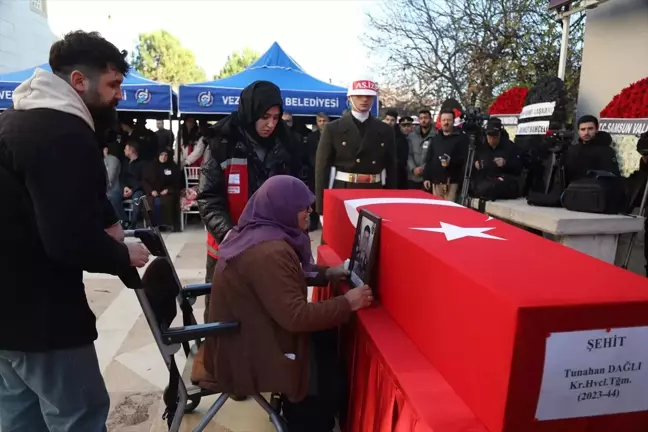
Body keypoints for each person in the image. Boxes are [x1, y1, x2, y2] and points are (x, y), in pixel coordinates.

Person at [0, 30, 150, 432]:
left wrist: (109, 220)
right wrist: (123, 254)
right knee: (77, 417)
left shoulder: (17, 120)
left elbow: (58, 192)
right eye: (113, 84)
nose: (119, 95)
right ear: (78, 82)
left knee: (20, 419)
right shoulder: (64, 132)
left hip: (9, 317)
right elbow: (67, 239)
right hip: (43, 317)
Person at [195, 175, 373, 432]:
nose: (309, 212)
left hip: (239, 334)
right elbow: (296, 316)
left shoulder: (256, 233)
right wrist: (347, 303)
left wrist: (326, 274)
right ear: (283, 208)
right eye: (303, 207)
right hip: (245, 350)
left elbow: (278, 282)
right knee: (325, 374)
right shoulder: (270, 251)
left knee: (324, 340)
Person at [197, 80, 295, 343]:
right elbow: (207, 198)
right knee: (223, 317)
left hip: (268, 249)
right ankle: (216, 366)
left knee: (265, 314)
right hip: (226, 247)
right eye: (264, 117)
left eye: (276, 117)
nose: (271, 124)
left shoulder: (286, 145)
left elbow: (295, 193)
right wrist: (229, 235)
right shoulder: (222, 143)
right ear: (250, 112)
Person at [315, 78, 397, 220]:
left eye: (369, 96)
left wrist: (391, 201)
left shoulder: (385, 130)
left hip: (374, 192)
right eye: (359, 96)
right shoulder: (333, 128)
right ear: (350, 98)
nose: (364, 99)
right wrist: (322, 208)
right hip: (344, 190)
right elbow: (322, 169)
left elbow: (392, 168)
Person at [422, 108, 469, 201]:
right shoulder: (435, 139)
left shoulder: (461, 138)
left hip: (452, 183)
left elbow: (465, 159)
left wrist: (450, 162)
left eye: (449, 120)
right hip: (436, 182)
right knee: (436, 211)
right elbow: (429, 159)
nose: (446, 122)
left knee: (450, 212)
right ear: (440, 121)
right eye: (444, 120)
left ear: (453, 121)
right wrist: (426, 177)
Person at [564, 115, 620, 186]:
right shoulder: (572, 150)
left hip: (596, 192)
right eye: (583, 129)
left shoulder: (606, 151)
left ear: (596, 129)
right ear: (578, 131)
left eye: (590, 129)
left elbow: (612, 178)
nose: (586, 133)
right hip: (573, 192)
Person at [143, 148, 181, 229]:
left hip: (167, 192)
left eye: (166, 155)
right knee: (151, 203)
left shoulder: (172, 166)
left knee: (164, 202)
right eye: (161, 155)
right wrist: (151, 191)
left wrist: (168, 190)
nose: (163, 157)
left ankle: (165, 224)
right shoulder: (151, 166)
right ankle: (153, 225)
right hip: (152, 192)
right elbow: (145, 181)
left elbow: (176, 182)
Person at [306, 112, 329, 230]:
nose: (322, 123)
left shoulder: (333, 135)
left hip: (330, 172)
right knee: (315, 198)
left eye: (324, 121)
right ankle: (314, 222)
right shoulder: (312, 137)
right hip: (314, 172)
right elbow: (308, 154)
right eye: (320, 121)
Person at [407, 109, 436, 189]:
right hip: (412, 177)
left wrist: (423, 168)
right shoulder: (411, 136)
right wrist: (413, 168)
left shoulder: (436, 136)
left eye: (426, 118)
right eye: (421, 118)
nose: (423, 120)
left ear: (430, 119)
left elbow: (434, 156)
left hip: (427, 177)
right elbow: (409, 154)